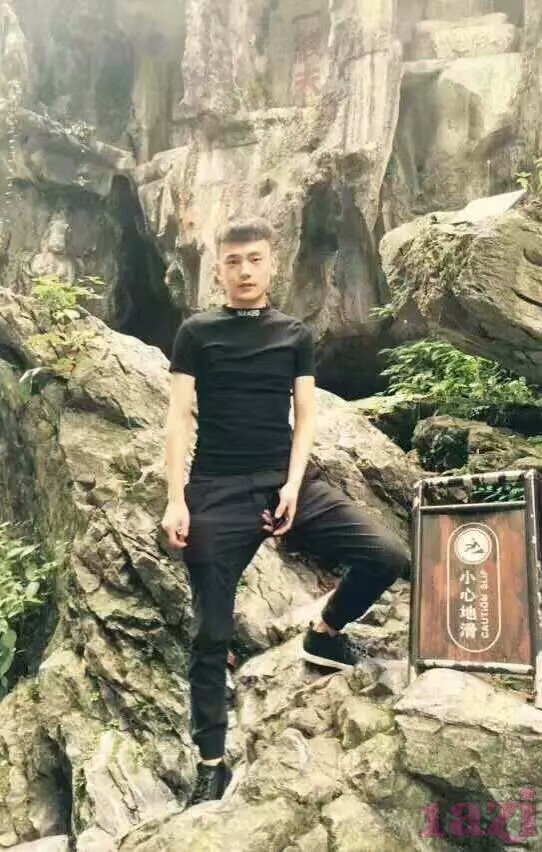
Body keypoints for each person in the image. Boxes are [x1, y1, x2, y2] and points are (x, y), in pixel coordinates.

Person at [161, 218, 410, 806]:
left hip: (282, 480)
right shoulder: (196, 333)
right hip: (216, 490)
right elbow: (176, 418)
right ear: (219, 269)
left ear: (272, 264)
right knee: (210, 632)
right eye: (233, 261)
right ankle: (211, 761)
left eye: (255, 259)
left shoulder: (294, 334)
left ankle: (325, 634)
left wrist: (295, 485)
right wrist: (176, 498)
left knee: (387, 554)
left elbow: (305, 417)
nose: (245, 270)